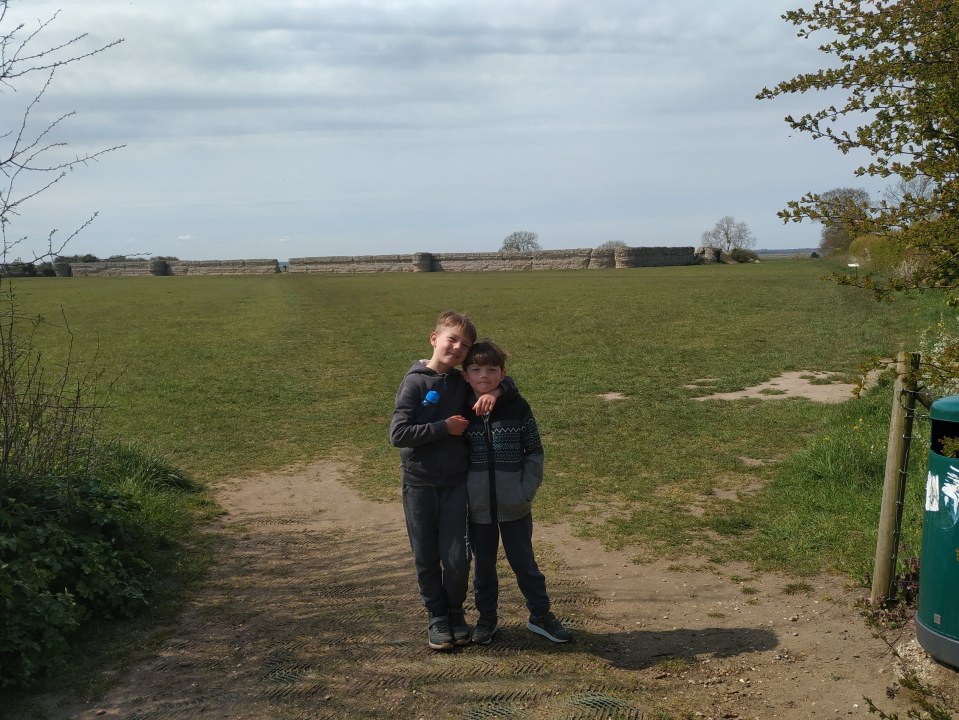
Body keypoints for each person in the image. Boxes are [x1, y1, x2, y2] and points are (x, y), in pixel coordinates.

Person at [389, 311, 514, 651]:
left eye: (465, 345)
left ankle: (456, 611)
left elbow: (502, 381)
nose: (458, 348)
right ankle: (437, 616)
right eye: (452, 339)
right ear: (434, 338)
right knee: (426, 554)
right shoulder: (415, 382)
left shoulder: (461, 384)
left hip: (456, 484)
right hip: (419, 485)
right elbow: (398, 434)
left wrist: (497, 391)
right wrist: (443, 427)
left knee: (458, 556)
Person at [462, 339, 572, 645]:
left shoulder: (517, 406)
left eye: (491, 369)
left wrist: (526, 490)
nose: (484, 375)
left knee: (525, 563)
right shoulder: (460, 408)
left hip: (516, 505)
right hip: (478, 508)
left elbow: (534, 451)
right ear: (465, 375)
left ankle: (540, 616)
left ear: (503, 373)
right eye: (476, 369)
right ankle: (487, 619)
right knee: (483, 568)